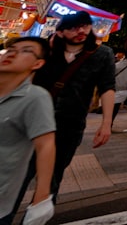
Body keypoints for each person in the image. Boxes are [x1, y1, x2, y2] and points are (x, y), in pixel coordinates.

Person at [30, 10, 114, 197]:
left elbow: (107, 87)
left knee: (53, 174)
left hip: (70, 124)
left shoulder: (102, 54)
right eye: (74, 28)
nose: (81, 31)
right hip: (34, 119)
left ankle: (36, 217)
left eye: (85, 26)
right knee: (21, 172)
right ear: (60, 32)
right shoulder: (45, 50)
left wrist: (106, 123)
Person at [0, 37, 55, 225]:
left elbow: (45, 145)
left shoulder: (35, 97)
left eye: (25, 51)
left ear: (38, 63)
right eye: (10, 49)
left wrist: (41, 198)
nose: (12, 53)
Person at [111, 50, 127, 129]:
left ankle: (108, 121)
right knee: (116, 107)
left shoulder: (117, 64)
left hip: (114, 87)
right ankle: (110, 122)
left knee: (110, 105)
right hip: (124, 88)